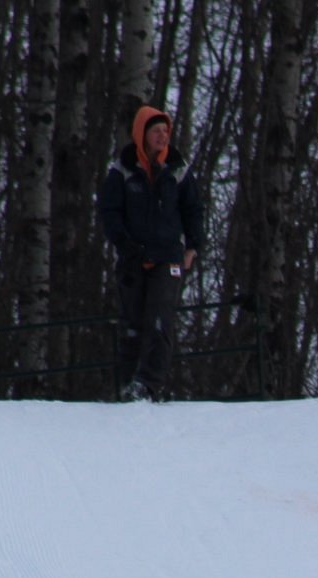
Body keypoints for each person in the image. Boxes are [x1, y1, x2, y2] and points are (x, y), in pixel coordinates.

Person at [98, 105, 206, 402]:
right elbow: (110, 212)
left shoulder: (179, 169)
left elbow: (194, 209)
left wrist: (193, 246)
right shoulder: (122, 170)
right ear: (142, 133)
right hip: (133, 258)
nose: (162, 136)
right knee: (132, 324)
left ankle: (148, 384)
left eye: (166, 131)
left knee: (160, 320)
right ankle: (125, 385)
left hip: (169, 256)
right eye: (156, 130)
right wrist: (124, 243)